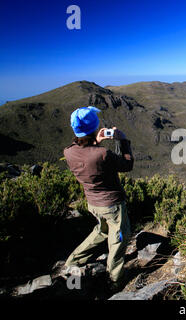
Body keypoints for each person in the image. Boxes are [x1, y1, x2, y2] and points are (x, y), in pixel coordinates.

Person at [63, 106, 134, 289]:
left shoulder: (69, 152)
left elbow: (87, 156)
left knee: (102, 231)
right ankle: (116, 279)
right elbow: (127, 164)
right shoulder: (102, 154)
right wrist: (122, 140)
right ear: (94, 126)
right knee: (119, 238)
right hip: (112, 205)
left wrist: (96, 140)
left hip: (93, 203)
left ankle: (73, 261)